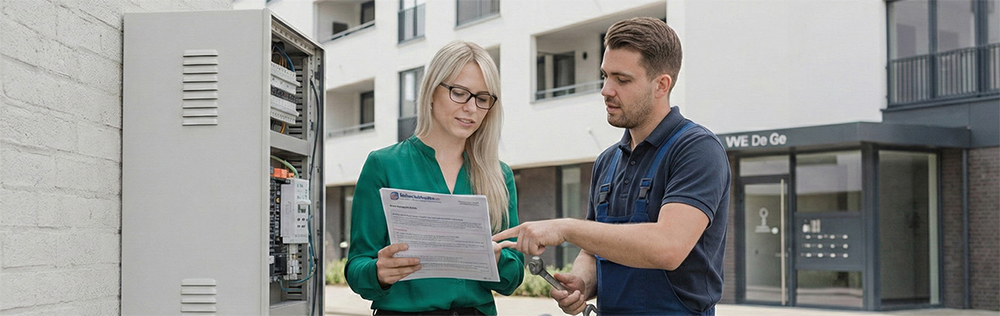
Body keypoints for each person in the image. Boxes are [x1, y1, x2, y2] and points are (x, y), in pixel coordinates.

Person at [493, 17, 730, 316]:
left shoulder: (697, 149)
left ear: (661, 85)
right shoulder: (607, 161)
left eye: (622, 79)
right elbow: (592, 251)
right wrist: (581, 282)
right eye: (605, 76)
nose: (606, 90)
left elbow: (668, 247)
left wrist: (565, 228)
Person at [345, 41, 523, 316]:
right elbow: (357, 267)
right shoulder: (383, 165)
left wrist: (497, 260)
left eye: (482, 98)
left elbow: (514, 278)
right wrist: (378, 272)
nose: (471, 108)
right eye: (459, 93)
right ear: (431, 91)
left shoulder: (499, 175)